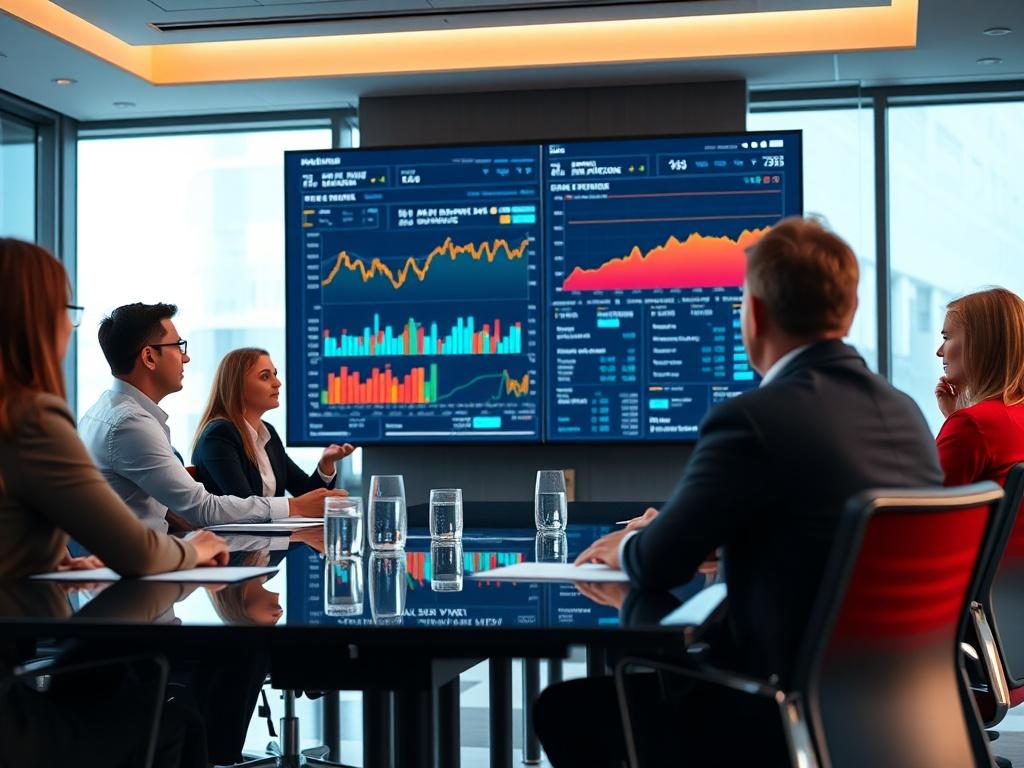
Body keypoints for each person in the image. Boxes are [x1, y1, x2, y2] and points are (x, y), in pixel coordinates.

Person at [536, 217, 944, 767]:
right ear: (848, 312)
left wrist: (635, 543)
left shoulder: (753, 419)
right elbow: (812, 532)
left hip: (768, 714)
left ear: (754, 313)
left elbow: (659, 567)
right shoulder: (905, 413)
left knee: (566, 709)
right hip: (887, 708)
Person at [0, 239, 229, 579]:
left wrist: (49, 559)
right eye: (64, 311)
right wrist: (197, 547)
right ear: (35, 321)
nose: (68, 327)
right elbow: (138, 552)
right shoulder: (31, 419)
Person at [79, 303, 347, 531]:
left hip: (136, 565)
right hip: (134, 576)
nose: (186, 357)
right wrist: (295, 506)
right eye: (178, 346)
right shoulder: (131, 424)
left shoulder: (108, 412)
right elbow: (203, 508)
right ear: (149, 357)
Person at [192, 347, 354, 498]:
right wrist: (295, 506)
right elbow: (244, 504)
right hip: (229, 530)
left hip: (264, 529)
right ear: (237, 386)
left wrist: (326, 462)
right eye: (265, 376)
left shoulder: (268, 432)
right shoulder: (219, 435)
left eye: (275, 374)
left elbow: (304, 492)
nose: (277, 383)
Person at [934, 287, 1024, 487]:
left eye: (946, 338)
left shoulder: (973, 425)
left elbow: (923, 506)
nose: (940, 352)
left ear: (980, 344)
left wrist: (958, 422)